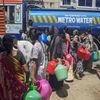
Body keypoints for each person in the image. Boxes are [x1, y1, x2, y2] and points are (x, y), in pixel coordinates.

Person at [0, 34, 30, 100]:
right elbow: (27, 71)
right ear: (12, 43)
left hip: (5, 87)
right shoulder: (19, 54)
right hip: (19, 86)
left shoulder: (1, 56)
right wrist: (27, 82)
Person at [48, 26, 64, 91]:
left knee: (55, 72)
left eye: (50, 30)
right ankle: (57, 85)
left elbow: (56, 49)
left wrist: (54, 59)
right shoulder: (55, 36)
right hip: (55, 58)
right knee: (54, 72)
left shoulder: (57, 37)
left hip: (56, 58)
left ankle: (56, 86)